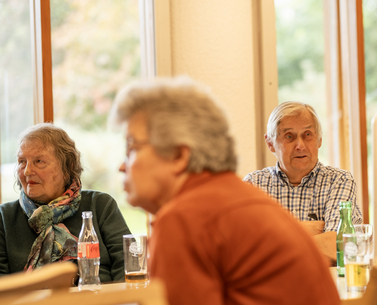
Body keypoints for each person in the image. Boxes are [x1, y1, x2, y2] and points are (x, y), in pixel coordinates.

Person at [112, 76, 340, 305]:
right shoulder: (241, 195)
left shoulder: (185, 218)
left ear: (179, 156)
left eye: (132, 147)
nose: (122, 166)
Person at [0, 123, 131, 283]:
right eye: (22, 161)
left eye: (39, 161)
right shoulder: (4, 218)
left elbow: (128, 267)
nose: (27, 171)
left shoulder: (99, 206)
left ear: (67, 167)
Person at [243, 102, 362, 260]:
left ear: (319, 140)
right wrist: (304, 229)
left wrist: (271, 239)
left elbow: (336, 247)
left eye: (307, 135)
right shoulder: (253, 185)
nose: (300, 145)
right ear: (270, 143)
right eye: (289, 136)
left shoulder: (339, 181)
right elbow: (243, 249)